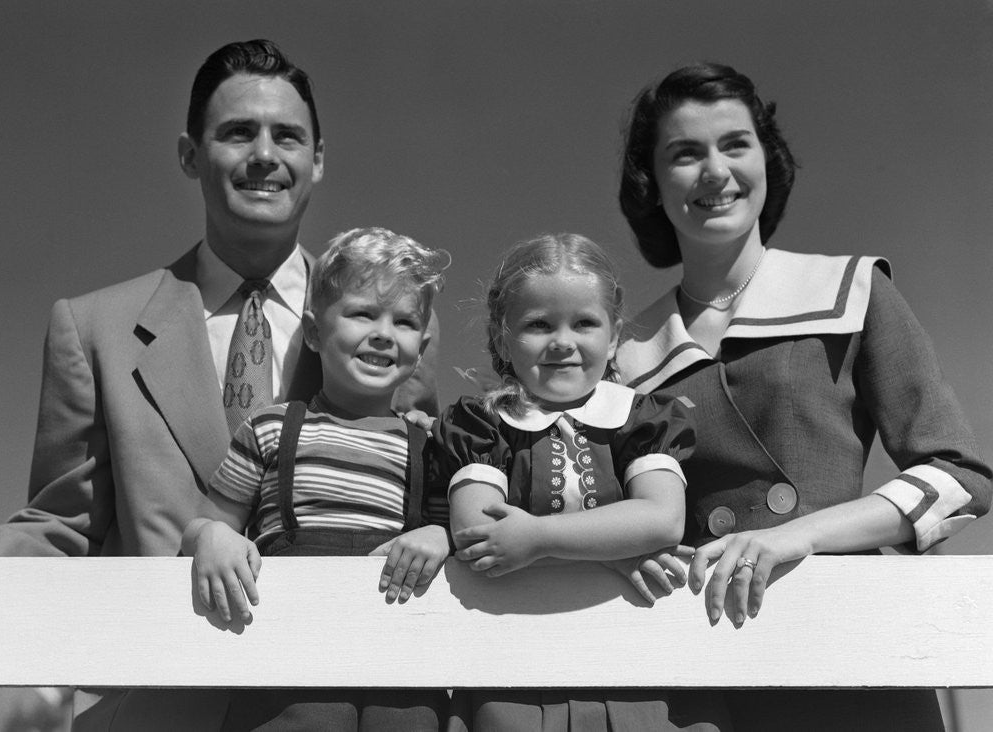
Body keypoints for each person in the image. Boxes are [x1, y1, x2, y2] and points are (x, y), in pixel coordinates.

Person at [0, 40, 438, 730]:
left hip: (336, 699)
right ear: (191, 155)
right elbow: (60, 527)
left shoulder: (391, 335)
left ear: (318, 159)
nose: (264, 155)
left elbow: (420, 504)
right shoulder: (93, 327)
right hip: (161, 708)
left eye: (287, 136)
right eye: (237, 132)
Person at [614, 62, 992, 731]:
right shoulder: (623, 355)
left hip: (851, 653)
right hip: (698, 670)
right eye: (684, 153)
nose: (714, 171)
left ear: (767, 160)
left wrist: (800, 536)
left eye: (735, 144)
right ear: (653, 183)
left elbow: (959, 478)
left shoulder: (853, 291)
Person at [437, 233, 726, 731]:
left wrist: (540, 537)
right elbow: (479, 533)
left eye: (585, 323)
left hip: (634, 671)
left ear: (614, 336)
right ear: (502, 338)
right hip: (512, 672)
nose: (563, 341)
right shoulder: (482, 424)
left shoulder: (642, 418)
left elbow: (661, 519)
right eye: (538, 324)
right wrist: (614, 547)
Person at [185, 227, 451, 730]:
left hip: (402, 672)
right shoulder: (270, 427)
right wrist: (214, 536)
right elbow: (203, 527)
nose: (383, 332)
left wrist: (440, 535)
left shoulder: (432, 446)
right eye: (362, 313)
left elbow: (457, 540)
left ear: (422, 346)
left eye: (404, 321)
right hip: (285, 667)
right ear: (312, 331)